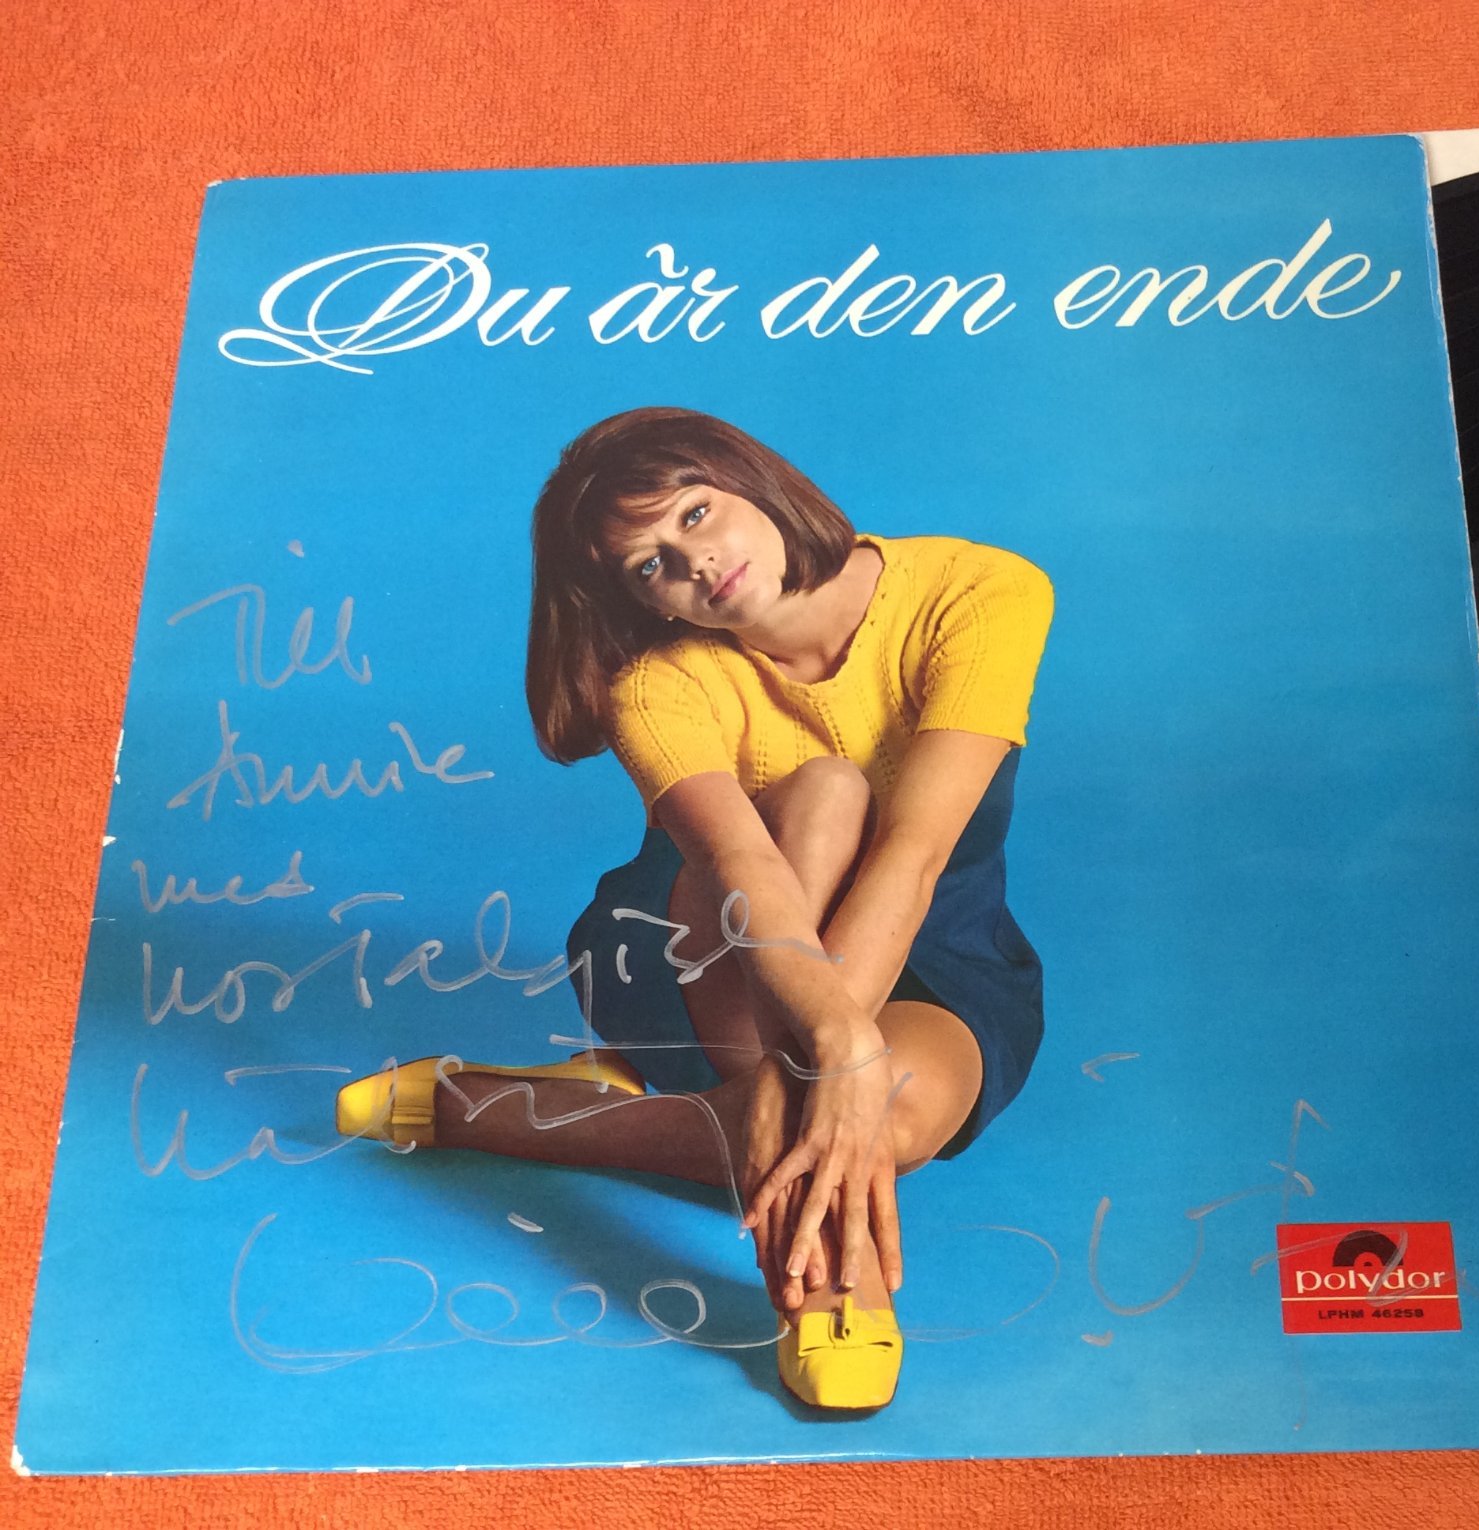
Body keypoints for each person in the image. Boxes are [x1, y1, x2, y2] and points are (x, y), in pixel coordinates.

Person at [336, 407, 1053, 1410]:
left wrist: (841, 1048)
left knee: (895, 1120)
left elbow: (917, 850)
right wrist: (832, 1051)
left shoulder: (978, 591)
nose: (692, 562)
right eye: (648, 567)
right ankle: (829, 1281)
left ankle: (507, 1114)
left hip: (934, 948)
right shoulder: (657, 686)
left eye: (696, 513)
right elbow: (737, 862)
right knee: (825, 793)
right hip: (699, 957)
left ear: (752, 479)